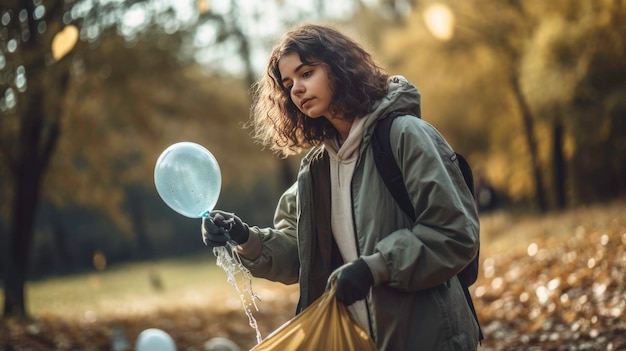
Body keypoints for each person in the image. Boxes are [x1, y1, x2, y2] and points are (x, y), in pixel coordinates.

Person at [202, 23, 481, 350]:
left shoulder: (405, 136)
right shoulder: (316, 168)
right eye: (289, 83)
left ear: (340, 67)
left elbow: (454, 233)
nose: (296, 90)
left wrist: (373, 268)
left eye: (306, 73)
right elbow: (300, 254)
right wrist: (243, 237)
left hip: (426, 337)